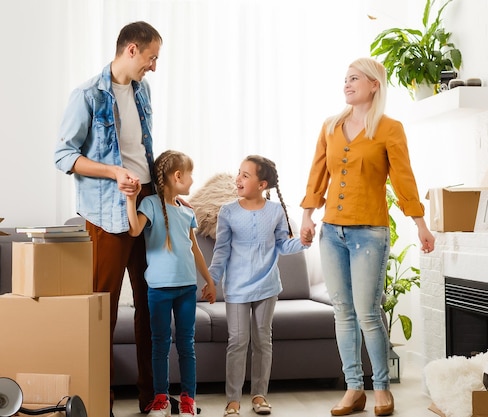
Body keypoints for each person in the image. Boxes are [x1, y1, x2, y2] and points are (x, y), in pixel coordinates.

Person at [299, 57, 435, 417]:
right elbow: (317, 175)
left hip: (370, 233)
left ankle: (382, 390)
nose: (347, 84)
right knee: (342, 312)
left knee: (367, 314)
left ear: (374, 84)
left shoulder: (389, 128)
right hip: (332, 232)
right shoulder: (330, 126)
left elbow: (403, 178)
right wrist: (307, 216)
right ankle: (353, 388)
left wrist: (420, 223)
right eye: (345, 79)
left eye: (355, 78)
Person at [54, 21, 163, 415]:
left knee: (152, 302)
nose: (153, 67)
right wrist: (114, 172)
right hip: (106, 212)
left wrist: (163, 193)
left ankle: (151, 395)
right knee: (105, 306)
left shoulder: (143, 90)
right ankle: (101, 395)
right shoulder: (86, 95)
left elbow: (141, 151)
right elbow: (63, 156)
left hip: (147, 204)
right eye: (151, 58)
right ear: (131, 50)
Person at [208, 155, 312, 416]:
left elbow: (282, 245)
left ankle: (259, 395)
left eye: (245, 175)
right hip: (237, 289)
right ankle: (233, 398)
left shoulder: (275, 212)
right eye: (239, 173)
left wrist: (303, 241)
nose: (238, 179)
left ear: (262, 184)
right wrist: (211, 280)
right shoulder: (228, 211)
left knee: (263, 341)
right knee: (238, 341)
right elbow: (220, 251)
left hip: (267, 287)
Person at [126, 150, 217, 417]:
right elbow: (134, 230)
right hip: (158, 289)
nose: (192, 181)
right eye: (191, 176)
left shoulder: (187, 211)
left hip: (187, 288)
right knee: (160, 345)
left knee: (186, 345)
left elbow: (195, 249)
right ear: (178, 176)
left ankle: (188, 399)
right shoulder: (150, 205)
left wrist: (209, 281)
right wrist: (131, 200)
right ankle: (161, 399)